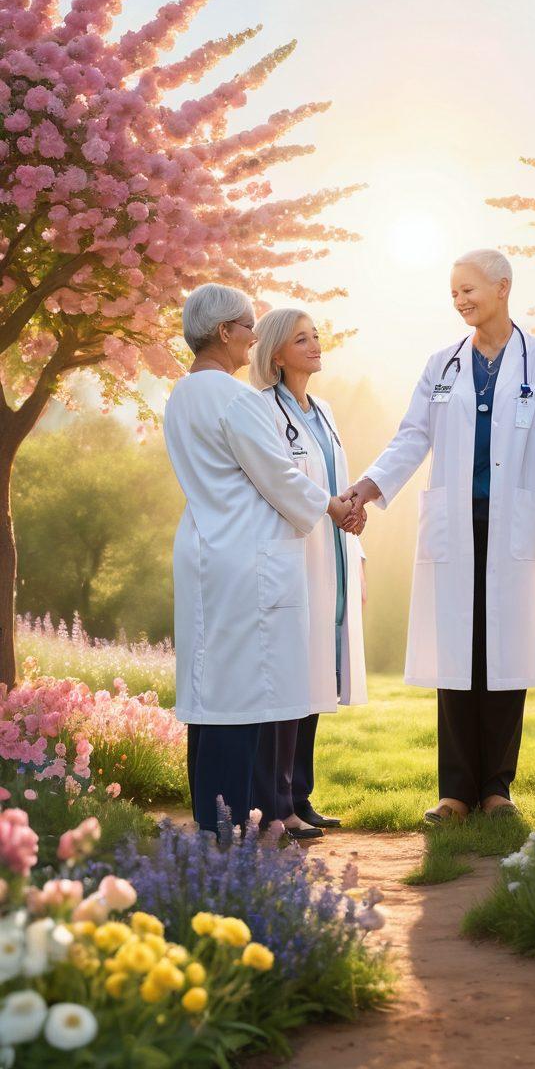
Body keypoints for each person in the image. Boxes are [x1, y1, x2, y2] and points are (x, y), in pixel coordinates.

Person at [343, 249, 535, 824]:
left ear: (503, 287)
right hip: (455, 524)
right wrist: (364, 488)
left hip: (512, 520)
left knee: (504, 653)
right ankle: (455, 793)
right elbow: (412, 437)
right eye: (454, 292)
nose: (460, 300)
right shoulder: (443, 363)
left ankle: (496, 791)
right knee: (459, 653)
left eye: (469, 290)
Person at [163, 283, 357, 835]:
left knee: (208, 685)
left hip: (204, 545)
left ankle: (211, 817)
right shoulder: (236, 400)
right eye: (248, 326)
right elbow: (277, 472)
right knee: (243, 692)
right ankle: (231, 822)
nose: (253, 336)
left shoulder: (181, 395)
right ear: (225, 332)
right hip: (248, 554)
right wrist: (332, 507)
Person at [248, 307, 368, 837]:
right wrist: (331, 507)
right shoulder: (264, 412)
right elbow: (282, 485)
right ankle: (276, 804)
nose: (316, 344)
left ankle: (301, 796)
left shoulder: (323, 411)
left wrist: (352, 511)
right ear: (276, 353)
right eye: (302, 339)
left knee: (318, 674)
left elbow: (333, 479)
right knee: (292, 681)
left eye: (316, 335)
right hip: (294, 556)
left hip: (332, 553)